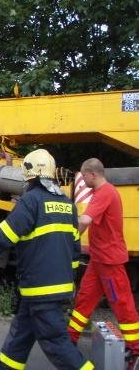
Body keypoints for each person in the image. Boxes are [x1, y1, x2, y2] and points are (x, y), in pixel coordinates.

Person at [0, 149, 93, 370]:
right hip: (50, 289)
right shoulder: (68, 205)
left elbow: (5, 236)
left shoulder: (31, 201)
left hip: (42, 289)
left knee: (56, 344)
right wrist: (69, 280)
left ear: (31, 174)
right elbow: (75, 249)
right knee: (20, 337)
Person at [68, 158, 138, 368]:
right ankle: (70, 339)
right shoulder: (102, 193)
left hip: (109, 262)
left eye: (84, 176)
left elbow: (84, 221)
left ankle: (135, 350)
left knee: (122, 304)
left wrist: (68, 240)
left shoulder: (105, 192)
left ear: (92, 174)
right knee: (84, 300)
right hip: (99, 260)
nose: (83, 181)